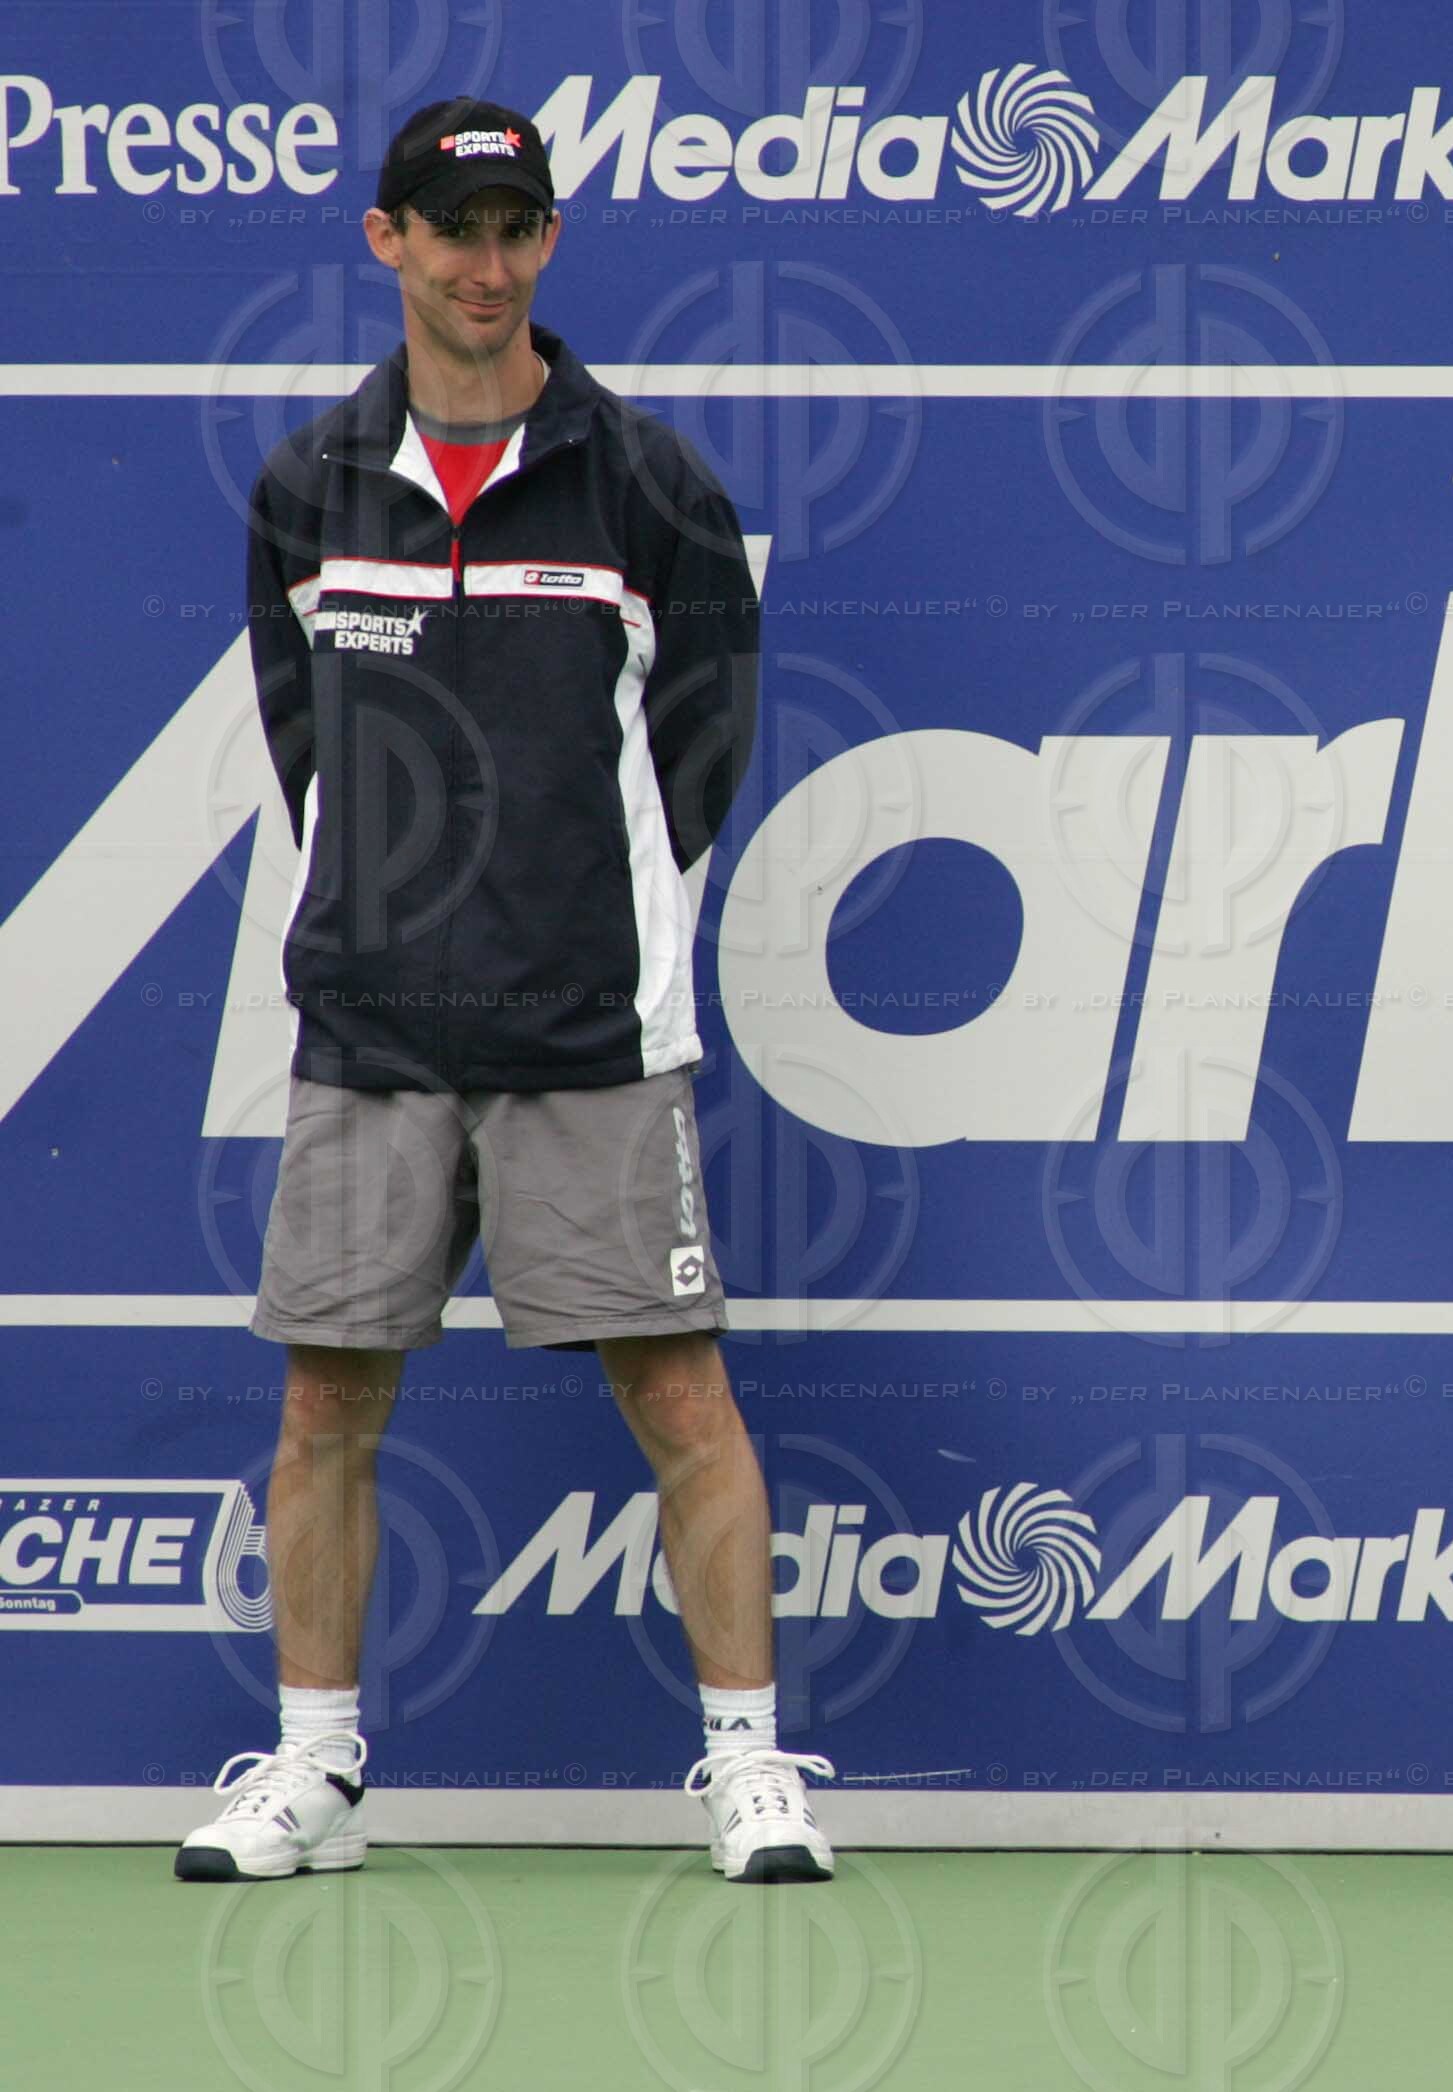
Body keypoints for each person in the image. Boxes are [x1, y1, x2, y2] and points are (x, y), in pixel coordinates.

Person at [178, 98, 830, 1883]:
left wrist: (558, 915)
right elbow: (306, 750)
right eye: (452, 228)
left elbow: (695, 758)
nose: (487, 264)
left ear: (547, 241)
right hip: (369, 1032)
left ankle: (750, 1766)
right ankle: (314, 1766)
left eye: (516, 227)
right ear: (384, 240)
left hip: (589, 1037)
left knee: (682, 1397)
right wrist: (400, 920)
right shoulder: (308, 489)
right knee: (325, 1406)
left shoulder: (647, 482)